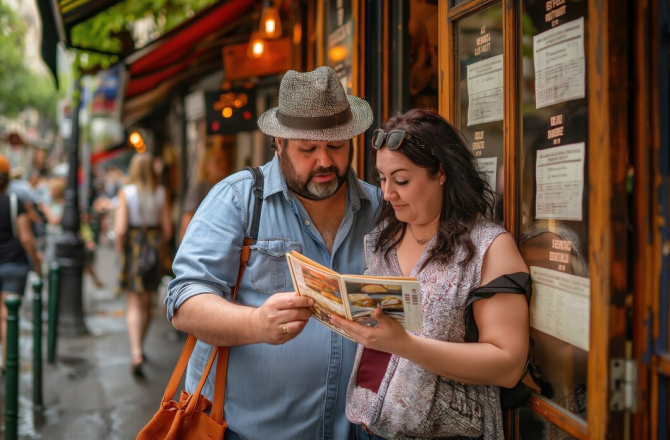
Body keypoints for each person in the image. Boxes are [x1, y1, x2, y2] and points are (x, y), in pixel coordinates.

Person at [166, 66, 378, 440]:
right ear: (278, 144)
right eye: (308, 149)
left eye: (336, 146)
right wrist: (256, 324)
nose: (325, 162)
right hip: (243, 432)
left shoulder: (381, 209)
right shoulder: (238, 199)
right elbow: (184, 301)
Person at [329, 109, 530, 440]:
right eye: (381, 178)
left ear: (440, 172)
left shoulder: (489, 247)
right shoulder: (384, 237)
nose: (388, 193)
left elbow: (508, 366)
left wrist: (405, 345)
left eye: (402, 180)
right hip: (367, 427)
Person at [115, 154, 173, 377]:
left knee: (133, 303)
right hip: (154, 248)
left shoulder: (126, 192)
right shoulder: (161, 193)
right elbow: (168, 230)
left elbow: (120, 229)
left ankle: (136, 351)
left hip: (133, 249)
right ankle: (141, 346)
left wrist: (120, 249)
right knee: (147, 302)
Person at [0, 155, 41, 371]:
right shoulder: (15, 203)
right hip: (13, 265)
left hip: (11, 265)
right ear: (7, 179)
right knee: (8, 315)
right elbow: (26, 238)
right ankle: (8, 360)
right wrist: (36, 263)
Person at [178, 144, 231, 242]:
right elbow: (187, 220)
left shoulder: (227, 188)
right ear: (207, 166)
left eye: (225, 160)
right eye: (218, 161)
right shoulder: (199, 188)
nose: (224, 164)